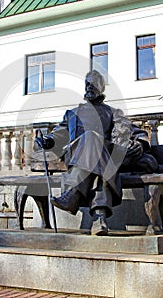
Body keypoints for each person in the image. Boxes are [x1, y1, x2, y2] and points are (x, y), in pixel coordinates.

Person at [34, 70, 158, 235]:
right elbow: (60, 133)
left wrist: (140, 143)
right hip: (78, 156)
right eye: (87, 84)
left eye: (93, 84)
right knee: (96, 149)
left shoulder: (113, 112)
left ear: (101, 88)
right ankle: (99, 218)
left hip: (104, 156)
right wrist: (48, 140)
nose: (89, 87)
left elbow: (135, 132)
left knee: (96, 149)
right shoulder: (72, 114)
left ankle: (73, 194)